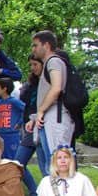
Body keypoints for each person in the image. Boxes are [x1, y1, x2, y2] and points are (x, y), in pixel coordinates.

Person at [32, 30, 73, 164]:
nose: (34, 49)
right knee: (50, 164)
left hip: (56, 118)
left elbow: (56, 88)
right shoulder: (49, 63)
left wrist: (41, 110)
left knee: (58, 162)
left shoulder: (54, 62)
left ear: (46, 45)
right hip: (50, 118)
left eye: (36, 45)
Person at [17, 55, 45, 196]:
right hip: (28, 128)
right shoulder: (30, 84)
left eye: (35, 64)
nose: (33, 68)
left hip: (41, 126)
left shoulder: (47, 82)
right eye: (31, 65)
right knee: (18, 163)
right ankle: (35, 192)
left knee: (45, 167)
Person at [0, 77, 25, 160]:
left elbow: (25, 110)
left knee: (14, 160)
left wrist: (20, 122)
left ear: (4, 89)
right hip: (0, 134)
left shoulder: (14, 101)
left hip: (12, 135)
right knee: (2, 158)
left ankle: (22, 173)